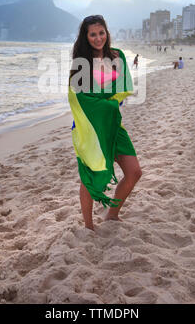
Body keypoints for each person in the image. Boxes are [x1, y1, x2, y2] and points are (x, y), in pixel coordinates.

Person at [68, 15, 142, 231]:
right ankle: (89, 226)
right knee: (90, 175)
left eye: (102, 33)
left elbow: (124, 87)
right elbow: (77, 97)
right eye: (93, 34)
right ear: (86, 36)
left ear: (107, 33)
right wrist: (106, 104)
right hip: (90, 126)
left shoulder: (117, 56)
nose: (98, 38)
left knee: (134, 172)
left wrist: (109, 106)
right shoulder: (81, 62)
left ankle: (112, 214)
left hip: (113, 123)